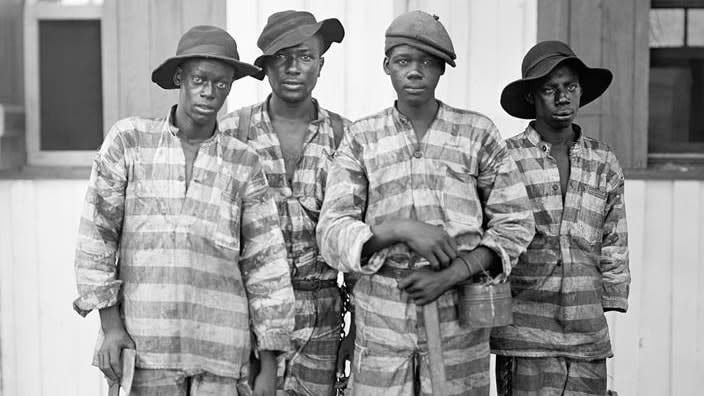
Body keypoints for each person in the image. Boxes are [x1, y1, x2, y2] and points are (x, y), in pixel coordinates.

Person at [316, 11, 535, 396]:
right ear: (387, 66)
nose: (415, 72)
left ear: (442, 70)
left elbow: (515, 222)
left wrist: (453, 274)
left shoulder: (476, 134)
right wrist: (398, 230)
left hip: (459, 319)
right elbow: (332, 230)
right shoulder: (361, 138)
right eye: (403, 61)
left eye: (427, 62)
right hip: (383, 318)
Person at [73, 25, 295, 396]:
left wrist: (269, 365)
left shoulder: (244, 162)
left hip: (222, 356)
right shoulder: (130, 141)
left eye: (221, 84)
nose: (210, 93)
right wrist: (111, 327)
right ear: (180, 78)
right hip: (144, 351)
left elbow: (265, 263)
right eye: (199, 80)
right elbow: (97, 235)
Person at [219, 10, 354, 396]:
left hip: (323, 314)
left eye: (306, 56)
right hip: (249, 312)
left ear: (321, 65)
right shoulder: (233, 133)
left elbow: (361, 233)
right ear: (265, 66)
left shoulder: (348, 137)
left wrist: (355, 329)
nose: (294, 68)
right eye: (282, 57)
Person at [491, 40, 630, 395]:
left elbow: (614, 240)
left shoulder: (603, 161)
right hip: (524, 333)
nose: (562, 97)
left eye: (570, 87)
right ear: (531, 98)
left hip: (587, 333)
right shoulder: (507, 159)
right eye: (550, 89)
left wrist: (611, 296)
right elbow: (493, 238)